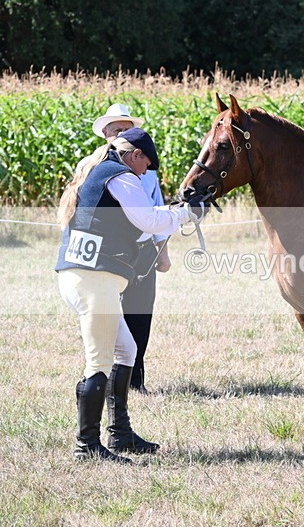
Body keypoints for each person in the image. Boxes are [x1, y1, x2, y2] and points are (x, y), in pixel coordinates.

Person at [56, 128, 207, 462]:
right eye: (146, 164)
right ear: (135, 155)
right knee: (98, 362)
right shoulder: (122, 177)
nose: (146, 172)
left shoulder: (105, 171)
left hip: (88, 277)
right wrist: (186, 212)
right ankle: (87, 446)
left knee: (126, 350)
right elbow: (148, 219)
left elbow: (144, 223)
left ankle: (120, 434)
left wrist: (180, 210)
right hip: (93, 281)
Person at [84, 104, 166, 393]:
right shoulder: (91, 167)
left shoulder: (147, 171)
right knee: (105, 315)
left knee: (140, 313)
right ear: (106, 134)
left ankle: (135, 379)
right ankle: (102, 378)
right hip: (106, 251)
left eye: (126, 129)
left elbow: (157, 210)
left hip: (142, 250)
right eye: (116, 130)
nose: (122, 134)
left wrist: (162, 252)